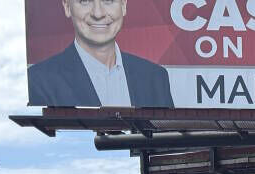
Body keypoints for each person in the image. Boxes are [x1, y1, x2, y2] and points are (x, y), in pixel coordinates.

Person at [28, 0, 173, 108]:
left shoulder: (155, 78)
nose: (98, 13)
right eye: (85, 1)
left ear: (123, 5)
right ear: (67, 6)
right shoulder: (39, 80)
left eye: (108, 0)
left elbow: (168, 146)